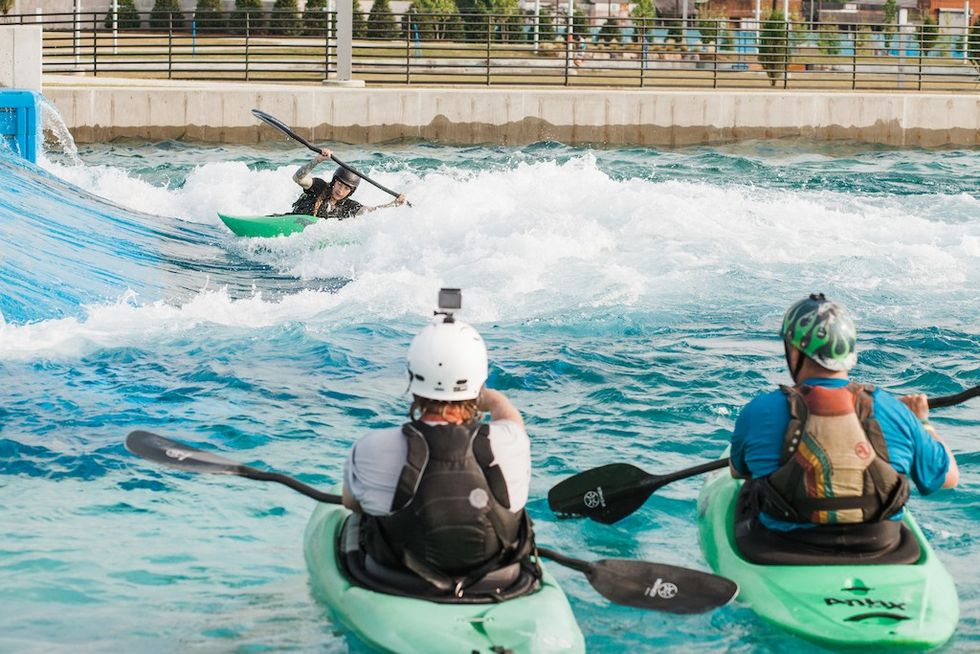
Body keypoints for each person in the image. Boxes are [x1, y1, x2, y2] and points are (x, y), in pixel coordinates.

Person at [730, 293, 958, 559]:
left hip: (785, 547)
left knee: (749, 487)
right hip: (878, 546)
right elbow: (949, 479)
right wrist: (922, 422)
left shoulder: (759, 410)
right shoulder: (892, 409)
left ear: (793, 351)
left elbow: (738, 471)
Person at [340, 299, 538, 599]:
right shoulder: (512, 442)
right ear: (479, 381)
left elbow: (351, 504)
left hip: (400, 581)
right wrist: (493, 400)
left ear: (412, 377)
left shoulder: (370, 448)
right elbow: (511, 421)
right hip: (497, 581)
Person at [291, 148, 407, 220]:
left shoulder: (349, 206)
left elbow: (372, 211)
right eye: (339, 184)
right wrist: (318, 160)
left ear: (351, 191)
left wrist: (394, 204)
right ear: (334, 182)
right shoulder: (319, 186)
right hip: (294, 220)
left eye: (346, 188)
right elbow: (298, 178)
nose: (340, 190)